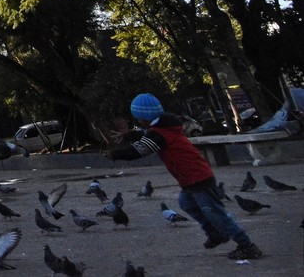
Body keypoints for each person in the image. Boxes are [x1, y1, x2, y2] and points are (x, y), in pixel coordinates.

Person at [106, 93, 262, 260]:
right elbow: (144, 134)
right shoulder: (163, 127)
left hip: (198, 178)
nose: (138, 122)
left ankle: (246, 245)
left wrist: (114, 154)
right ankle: (214, 232)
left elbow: (138, 150)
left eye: (138, 118)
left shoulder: (159, 134)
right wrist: (127, 136)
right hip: (192, 178)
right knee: (186, 203)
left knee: (216, 214)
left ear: (142, 118)